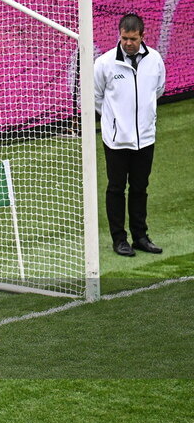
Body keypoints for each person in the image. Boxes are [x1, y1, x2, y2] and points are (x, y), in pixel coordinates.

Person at [93, 13, 166, 257]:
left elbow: (158, 90)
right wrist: (114, 122)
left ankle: (140, 237)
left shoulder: (155, 60)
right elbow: (96, 97)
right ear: (119, 35)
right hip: (116, 141)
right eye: (124, 38)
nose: (128, 43)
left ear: (142, 36)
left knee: (140, 188)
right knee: (115, 189)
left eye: (133, 38)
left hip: (145, 138)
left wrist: (145, 120)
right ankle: (119, 239)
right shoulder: (104, 63)